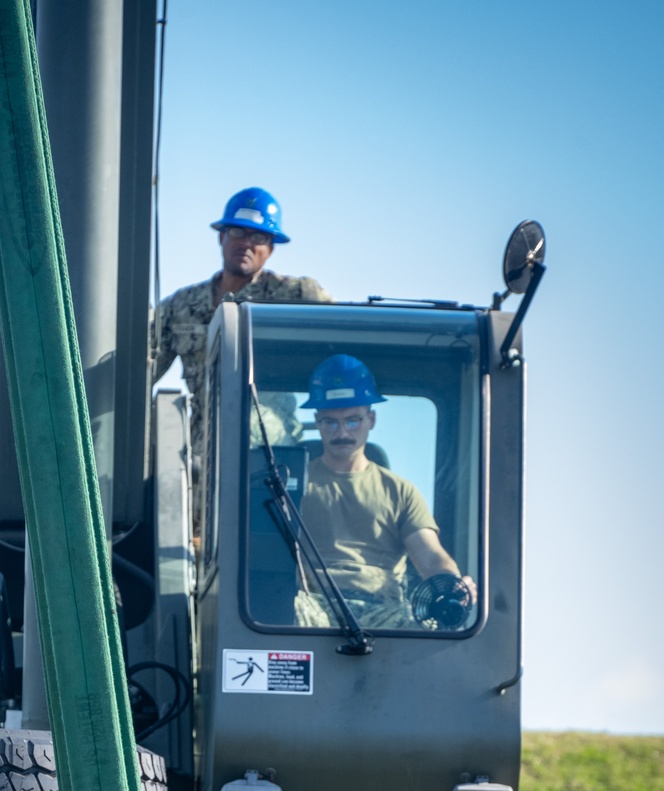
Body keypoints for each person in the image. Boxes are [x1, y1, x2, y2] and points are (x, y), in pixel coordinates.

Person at [295, 354, 477, 630]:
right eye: (330, 422)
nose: (342, 432)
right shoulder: (292, 487)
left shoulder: (400, 492)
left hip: (383, 609)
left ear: (371, 419)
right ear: (318, 422)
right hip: (313, 603)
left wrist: (453, 585)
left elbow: (429, 556)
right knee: (282, 610)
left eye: (353, 421)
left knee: (424, 629)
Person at [153, 188, 331, 456]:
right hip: (205, 452)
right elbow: (138, 372)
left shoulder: (296, 296)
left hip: (272, 452)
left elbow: (344, 344)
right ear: (222, 237)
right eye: (238, 232)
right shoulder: (181, 306)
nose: (246, 243)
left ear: (270, 249)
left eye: (258, 236)